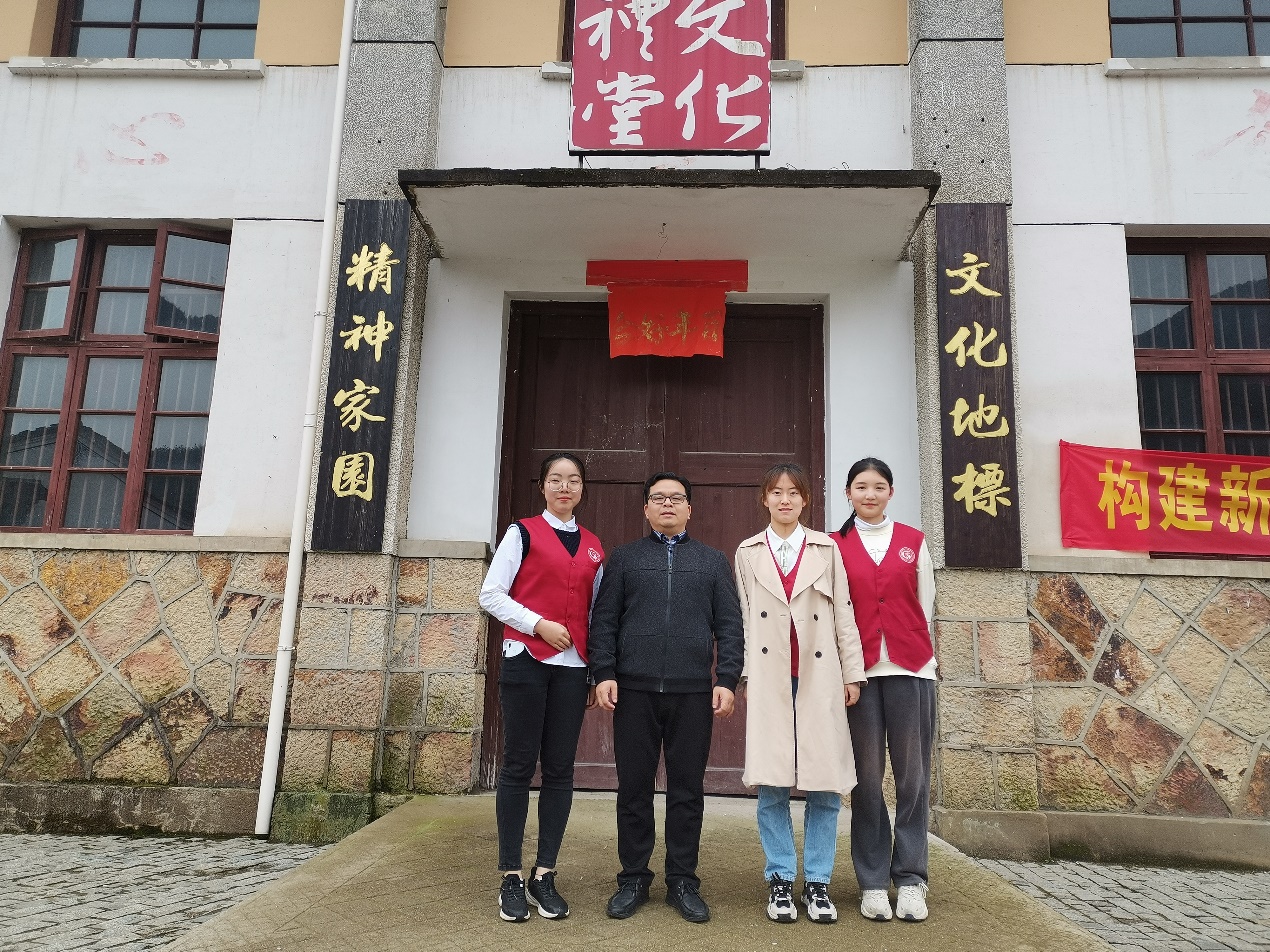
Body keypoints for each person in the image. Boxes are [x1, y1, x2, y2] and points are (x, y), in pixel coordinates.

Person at [588, 472, 744, 924]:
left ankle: (682, 880)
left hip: (692, 693)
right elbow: (605, 620)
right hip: (633, 692)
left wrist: (726, 678)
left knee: (687, 791)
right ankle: (633, 878)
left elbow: (730, 625)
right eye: (659, 498)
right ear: (646, 508)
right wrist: (604, 672)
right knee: (633, 789)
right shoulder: (624, 559)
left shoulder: (712, 562)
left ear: (690, 508)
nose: (668, 505)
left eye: (677, 498)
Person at [734, 462, 866, 925]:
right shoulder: (748, 551)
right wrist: (745, 675)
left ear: (806, 500)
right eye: (776, 492)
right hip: (770, 676)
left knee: (824, 783)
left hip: (820, 676)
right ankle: (780, 879)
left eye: (793, 492)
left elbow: (844, 613)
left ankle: (818, 882)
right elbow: (744, 617)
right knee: (772, 781)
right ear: (765, 499)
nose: (785, 499)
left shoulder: (827, 548)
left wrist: (852, 674)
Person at [478, 452, 605, 923]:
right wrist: (538, 625)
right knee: (517, 765)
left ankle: (544, 873)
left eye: (573, 480)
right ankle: (511, 875)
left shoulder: (594, 547)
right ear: (543, 486)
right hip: (527, 661)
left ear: (582, 488)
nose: (564, 487)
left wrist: (595, 671)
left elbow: (595, 613)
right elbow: (490, 595)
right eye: (556, 479)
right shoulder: (523, 533)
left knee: (559, 770)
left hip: (573, 669)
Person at [829, 458, 937, 924]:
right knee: (867, 779)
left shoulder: (914, 541)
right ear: (848, 493)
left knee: (913, 777)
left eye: (878, 487)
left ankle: (911, 878)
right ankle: (872, 881)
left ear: (891, 492)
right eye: (860, 487)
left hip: (912, 670)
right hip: (861, 674)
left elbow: (925, 605)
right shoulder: (833, 545)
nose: (869, 494)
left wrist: (912, 649)